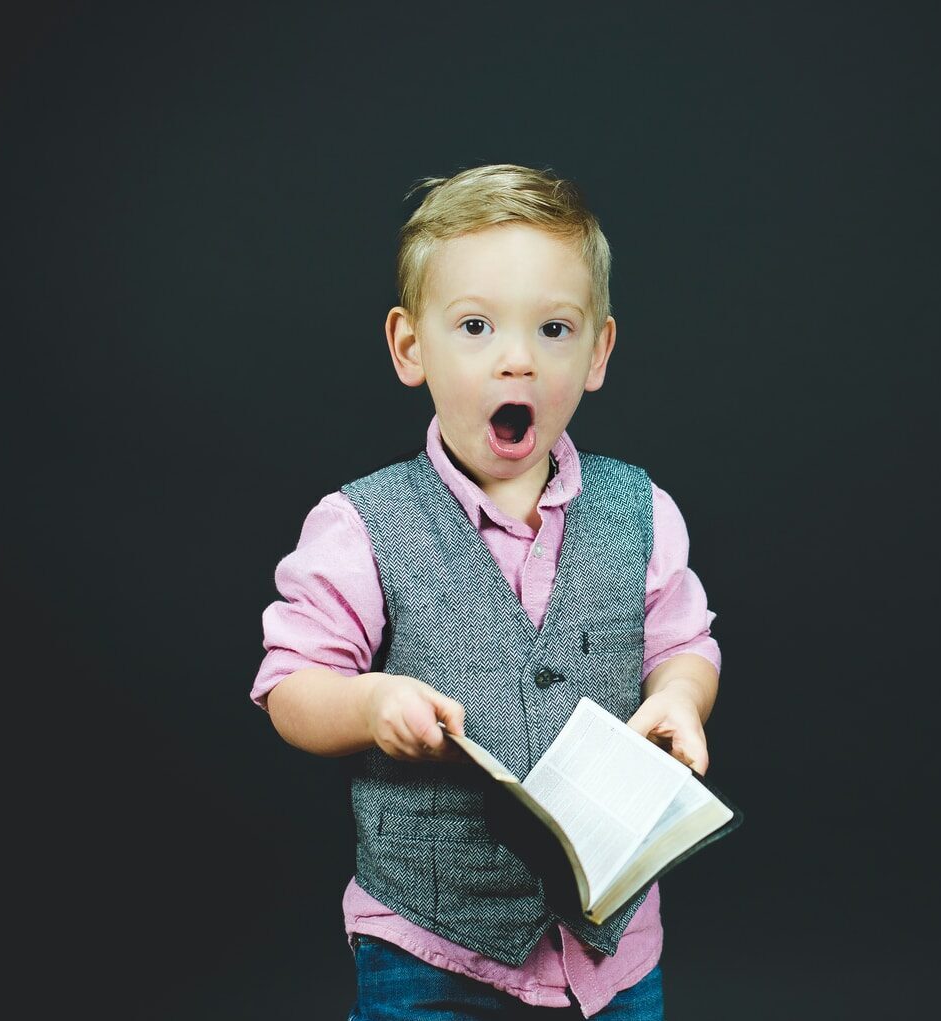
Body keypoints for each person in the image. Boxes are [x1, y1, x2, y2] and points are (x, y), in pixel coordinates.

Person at [250, 163, 720, 1020]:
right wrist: (368, 701)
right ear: (410, 347)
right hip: (428, 943)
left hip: (608, 949)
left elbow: (684, 644)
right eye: (474, 325)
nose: (516, 358)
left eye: (552, 328)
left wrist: (680, 700)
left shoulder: (641, 511)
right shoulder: (361, 524)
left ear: (598, 353)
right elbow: (289, 687)